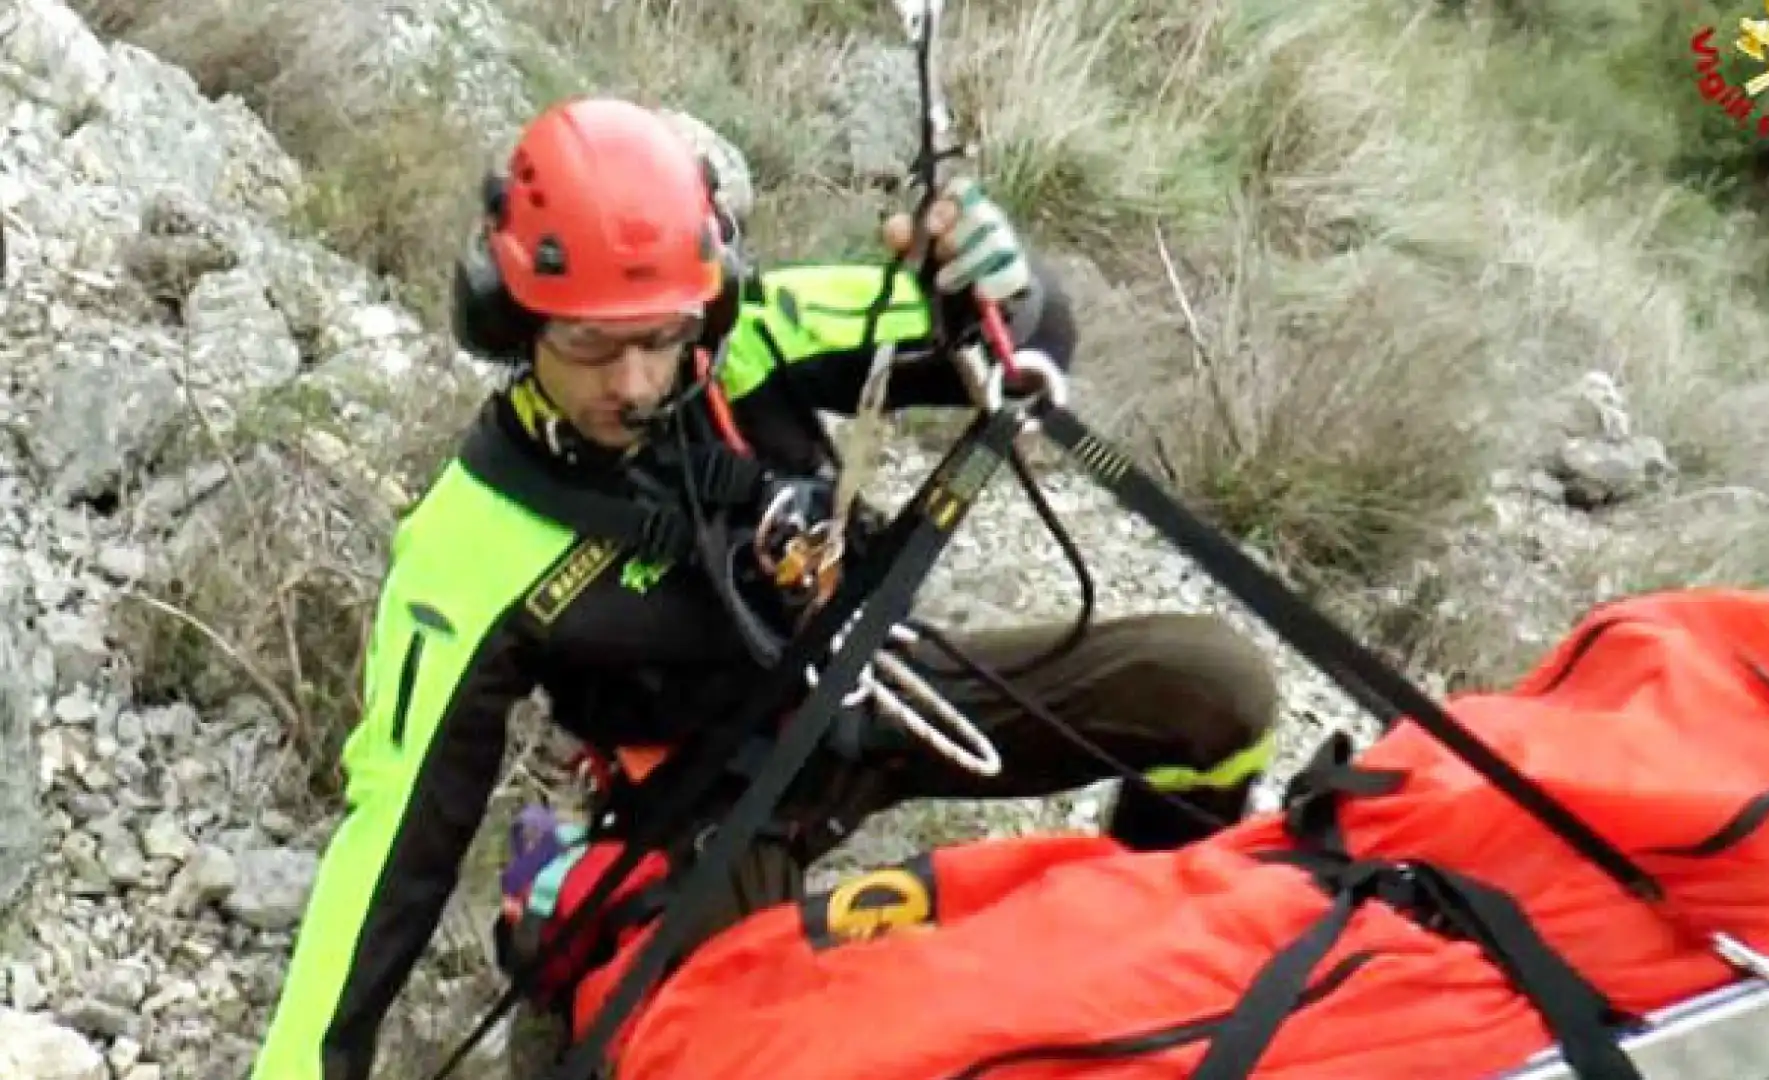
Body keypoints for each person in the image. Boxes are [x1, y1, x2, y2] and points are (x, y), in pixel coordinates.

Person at [246, 96, 1281, 1080]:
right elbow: (391, 849)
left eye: (662, 334)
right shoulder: (470, 545)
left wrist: (1002, 288)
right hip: (706, 802)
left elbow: (1010, 341)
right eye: (588, 343)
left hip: (874, 696)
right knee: (732, 1045)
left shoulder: (757, 335)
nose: (636, 382)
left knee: (1217, 695)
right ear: (510, 321)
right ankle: (577, 1000)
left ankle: (1160, 965)